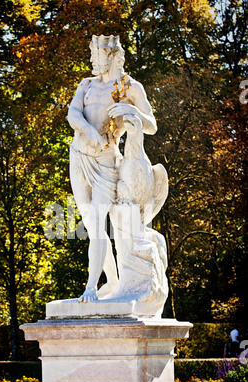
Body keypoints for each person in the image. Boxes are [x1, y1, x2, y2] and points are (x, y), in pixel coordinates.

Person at [67, 34, 157, 302]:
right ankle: (111, 280)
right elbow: (72, 113)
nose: (93, 60)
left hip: (107, 162)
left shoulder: (131, 88)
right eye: (92, 54)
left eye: (97, 55)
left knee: (96, 222)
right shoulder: (86, 84)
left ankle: (91, 287)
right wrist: (88, 132)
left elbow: (152, 124)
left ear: (113, 56)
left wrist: (133, 114)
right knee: (90, 223)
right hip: (79, 156)